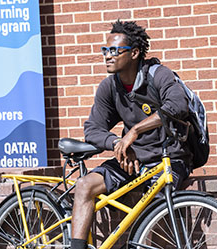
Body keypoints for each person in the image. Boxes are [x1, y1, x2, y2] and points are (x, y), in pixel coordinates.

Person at [70, 20, 192, 249]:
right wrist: (118, 142)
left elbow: (178, 106)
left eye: (115, 50)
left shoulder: (159, 75)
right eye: (105, 50)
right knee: (85, 185)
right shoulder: (110, 87)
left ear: (134, 53)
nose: (108, 56)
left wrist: (135, 130)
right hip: (132, 160)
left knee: (157, 205)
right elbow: (93, 129)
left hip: (169, 157)